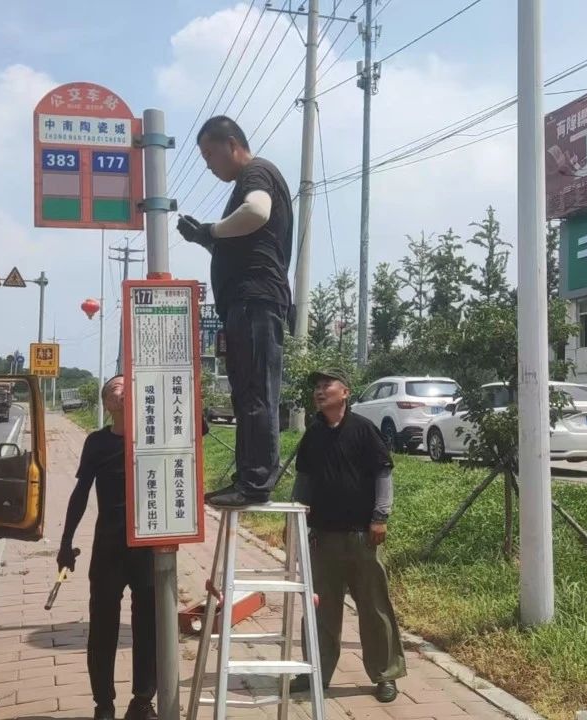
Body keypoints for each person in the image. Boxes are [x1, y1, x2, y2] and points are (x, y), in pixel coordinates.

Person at [177, 115, 293, 508]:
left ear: (232, 144)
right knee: (246, 394)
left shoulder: (256, 173)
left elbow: (257, 212)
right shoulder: (247, 181)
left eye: (210, 155)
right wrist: (204, 237)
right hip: (246, 302)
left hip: (255, 300)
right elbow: (243, 239)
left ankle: (256, 482)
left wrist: (211, 230)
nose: (208, 165)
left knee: (256, 392)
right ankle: (247, 478)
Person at [289, 368, 406, 703]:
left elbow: (383, 473)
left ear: (345, 392)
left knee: (373, 607)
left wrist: (380, 517)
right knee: (320, 609)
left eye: (327, 385)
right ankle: (316, 672)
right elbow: (304, 479)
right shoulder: (313, 434)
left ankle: (385, 674)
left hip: (361, 537)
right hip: (322, 537)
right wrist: (293, 518)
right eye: (317, 386)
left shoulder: (363, 430)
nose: (319, 390)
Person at [57, 375, 157, 720]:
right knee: (102, 627)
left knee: (148, 626)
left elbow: (197, 427)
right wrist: (66, 543)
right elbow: (80, 494)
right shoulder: (97, 443)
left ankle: (142, 701)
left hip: (148, 546)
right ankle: (104, 704)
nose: (124, 389)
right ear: (108, 404)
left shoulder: (153, 436)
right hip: (108, 547)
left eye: (130, 384)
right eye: (117, 387)